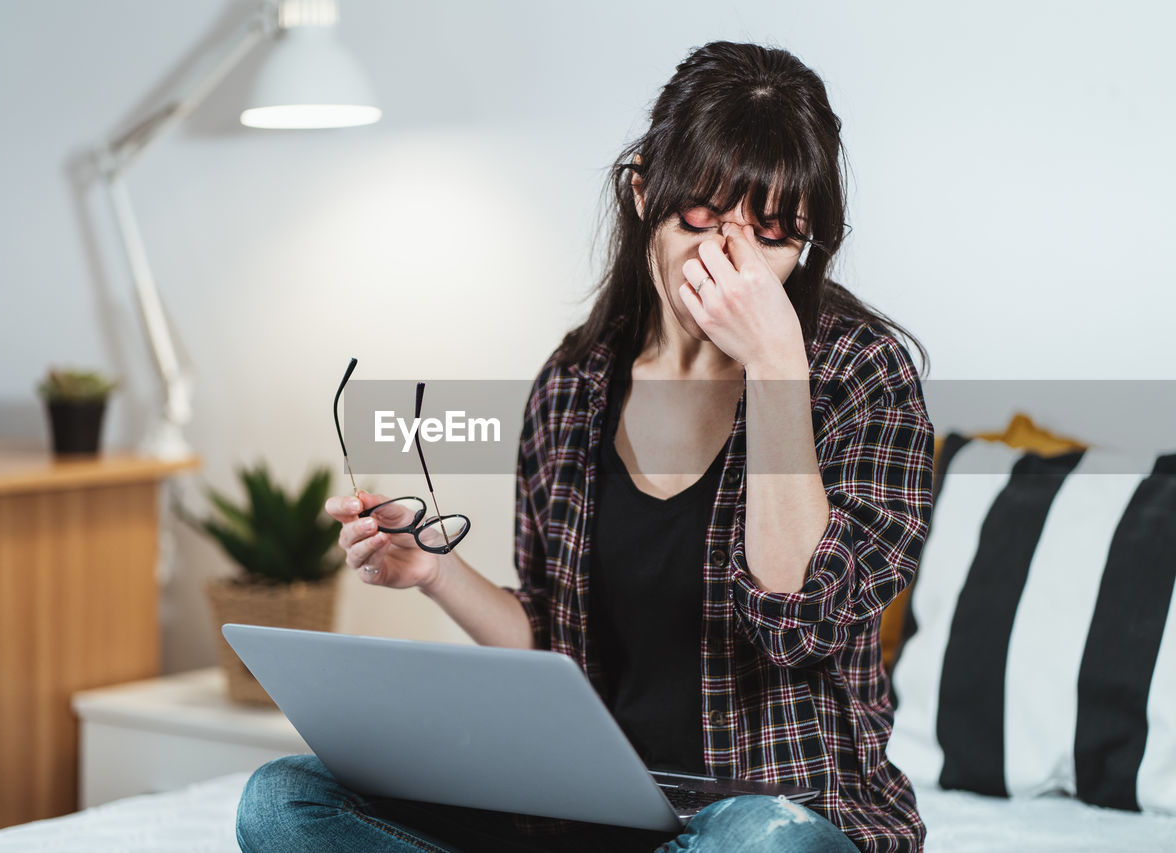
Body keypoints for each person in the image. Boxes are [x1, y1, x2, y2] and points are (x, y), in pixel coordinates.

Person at [236, 40, 933, 853]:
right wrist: (434, 571)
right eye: (703, 216)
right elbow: (553, 648)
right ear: (645, 192)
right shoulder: (575, 382)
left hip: (764, 809)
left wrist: (777, 367)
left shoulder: (863, 373)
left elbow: (799, 625)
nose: (733, 262)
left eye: (773, 236)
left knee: (768, 844)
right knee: (283, 800)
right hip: (588, 809)